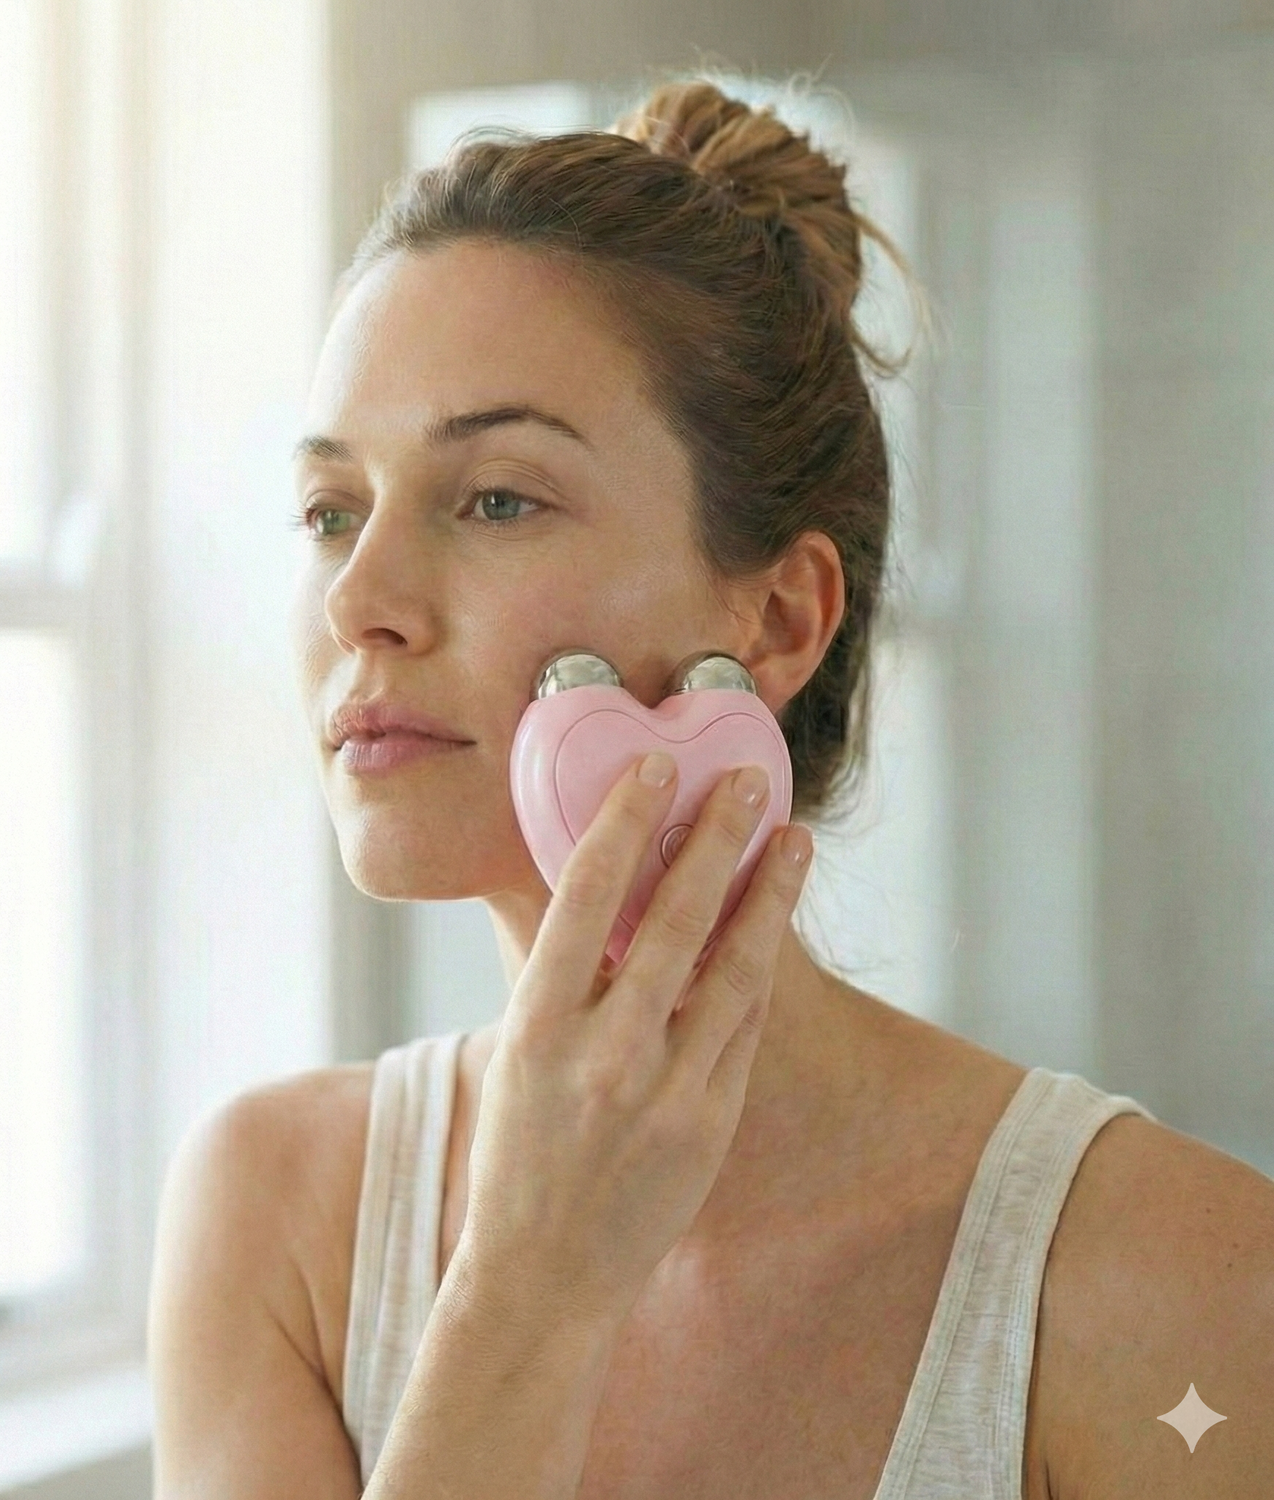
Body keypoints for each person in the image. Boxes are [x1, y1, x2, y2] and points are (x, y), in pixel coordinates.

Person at [147, 78, 1274, 1499]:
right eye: (331, 512)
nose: (358, 599)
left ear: (783, 618)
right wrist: (529, 1290)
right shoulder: (271, 1222)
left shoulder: (1178, 1284)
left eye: (496, 498)